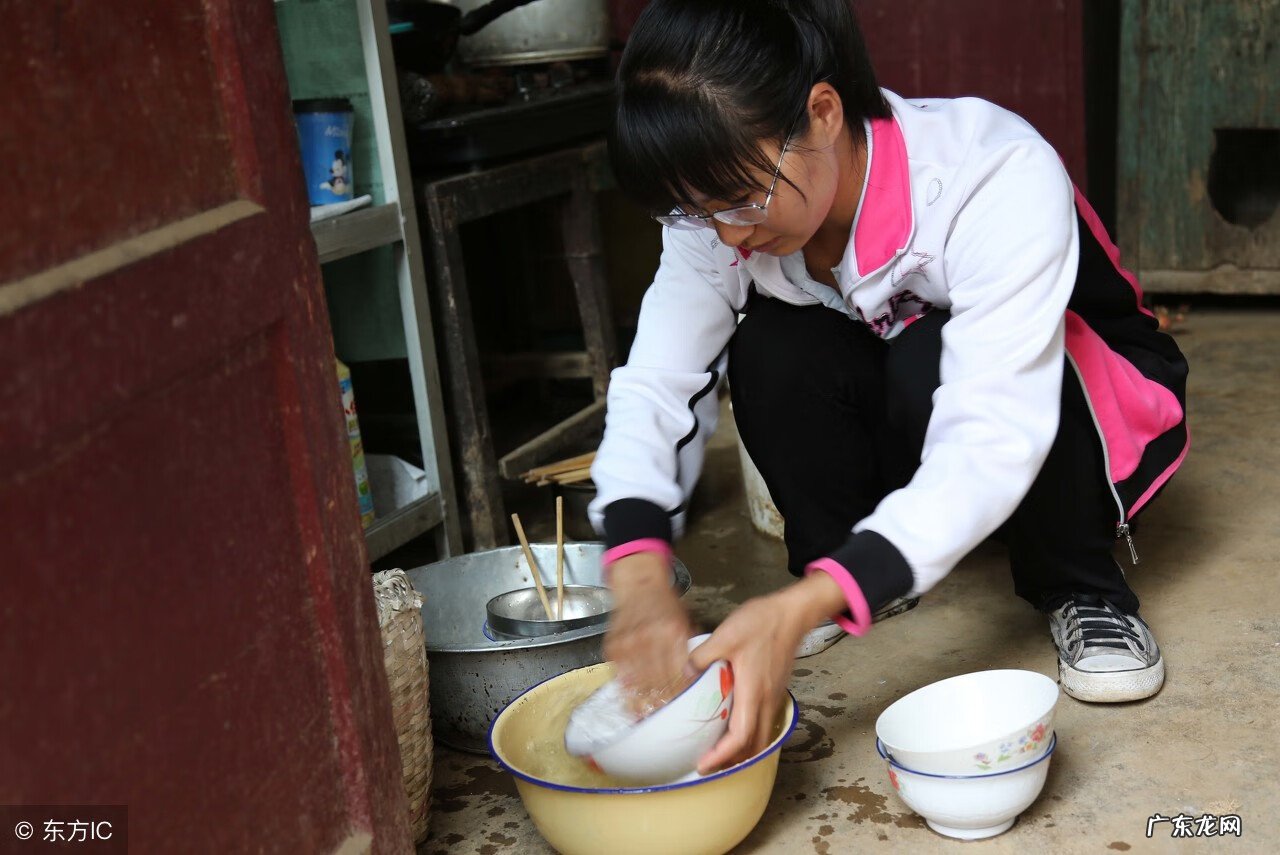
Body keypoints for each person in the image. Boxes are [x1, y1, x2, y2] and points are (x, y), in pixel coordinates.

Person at [588, 0, 1189, 774]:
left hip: (1088, 397)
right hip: (921, 409)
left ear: (823, 112)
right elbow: (658, 380)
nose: (729, 232)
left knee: (927, 354)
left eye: (741, 196)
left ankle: (1082, 585)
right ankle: (853, 564)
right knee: (770, 345)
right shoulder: (717, 217)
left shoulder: (991, 172)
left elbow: (993, 430)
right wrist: (638, 572)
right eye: (699, 210)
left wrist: (798, 609)